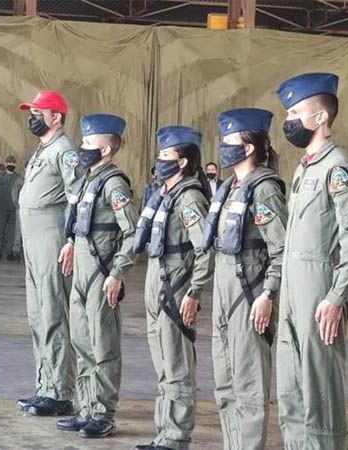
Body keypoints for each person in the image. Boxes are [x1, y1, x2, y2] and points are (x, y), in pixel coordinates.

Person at [275, 73, 348, 450]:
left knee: (320, 391)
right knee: (291, 389)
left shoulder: (338, 167)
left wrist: (335, 297)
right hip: (291, 289)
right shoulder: (304, 168)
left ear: (320, 118)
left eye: (296, 111)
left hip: (318, 290)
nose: (289, 120)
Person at [203, 108, 286, 450]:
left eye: (229, 141)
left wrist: (268, 294)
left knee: (249, 386)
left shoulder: (264, 189)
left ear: (249, 146)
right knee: (224, 383)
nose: (223, 147)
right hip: (223, 291)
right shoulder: (229, 187)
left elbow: (281, 250)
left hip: (249, 294)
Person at [57, 114, 138, 439]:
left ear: (106, 150)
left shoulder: (114, 184)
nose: (82, 147)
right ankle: (87, 407)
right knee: (82, 341)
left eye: (90, 143)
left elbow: (132, 233)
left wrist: (117, 272)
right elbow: (81, 221)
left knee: (104, 346)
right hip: (80, 273)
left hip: (101, 275)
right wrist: (71, 243)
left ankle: (103, 413)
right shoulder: (86, 180)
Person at [133, 125, 213, 450]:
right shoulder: (165, 195)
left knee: (177, 365)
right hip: (157, 284)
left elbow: (205, 249)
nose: (160, 161)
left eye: (166, 155)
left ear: (182, 162)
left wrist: (194, 292)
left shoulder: (190, 198)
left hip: (176, 290)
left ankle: (177, 437)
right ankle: (165, 433)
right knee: (164, 365)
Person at [16, 90, 80, 416]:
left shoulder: (65, 151)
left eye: (39, 112)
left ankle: (60, 393)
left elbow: (77, 199)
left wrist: (71, 241)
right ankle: (45, 386)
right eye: (32, 111)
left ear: (57, 117)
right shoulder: (44, 149)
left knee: (54, 315)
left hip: (52, 242)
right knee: (38, 316)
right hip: (34, 244)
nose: (33, 117)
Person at [0, 156, 21, 259]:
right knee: (0, 229)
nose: (11, 165)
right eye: (9, 163)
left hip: (13, 207)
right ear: (5, 164)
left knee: (11, 231)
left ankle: (10, 251)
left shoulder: (18, 178)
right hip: (1, 207)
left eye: (13, 163)